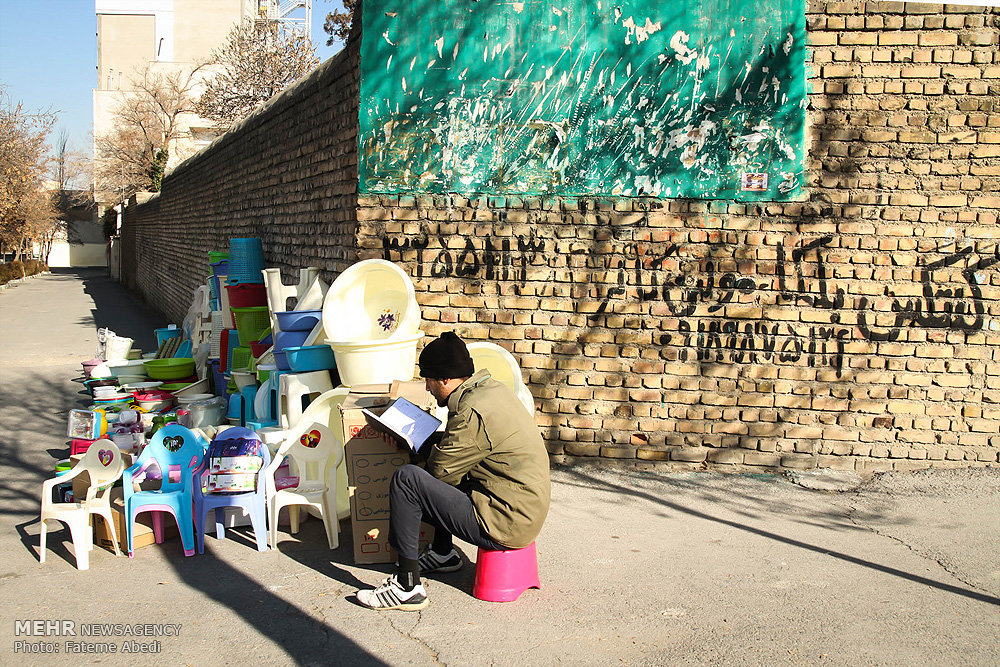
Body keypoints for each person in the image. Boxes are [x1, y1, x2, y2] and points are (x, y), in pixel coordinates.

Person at [356, 332, 551, 611]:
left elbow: (439, 474)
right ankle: (442, 553)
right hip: (521, 507)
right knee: (439, 457)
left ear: (446, 379)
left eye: (429, 380)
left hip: (506, 521)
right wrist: (413, 441)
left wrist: (413, 448)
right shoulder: (489, 391)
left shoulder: (472, 412)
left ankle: (407, 586)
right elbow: (458, 449)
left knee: (408, 480)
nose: (427, 388)